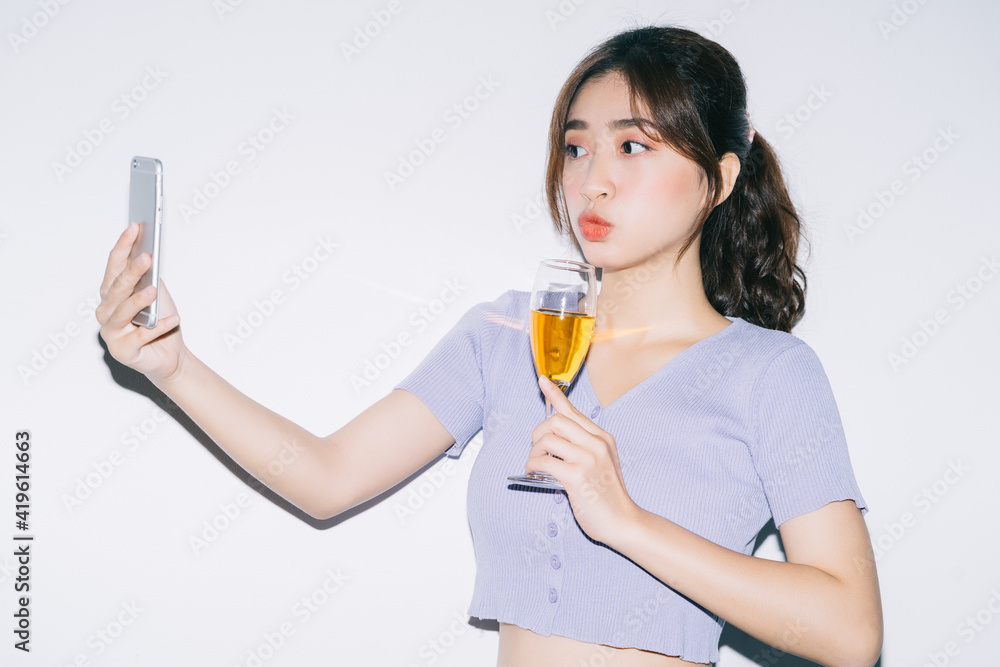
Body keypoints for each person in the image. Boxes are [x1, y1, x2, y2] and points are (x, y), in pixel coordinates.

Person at [98, 25, 882, 667]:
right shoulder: (507, 335)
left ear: (720, 176)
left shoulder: (770, 373)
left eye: (633, 147)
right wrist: (172, 367)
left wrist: (625, 517)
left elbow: (851, 630)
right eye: (577, 149)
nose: (593, 181)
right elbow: (326, 477)